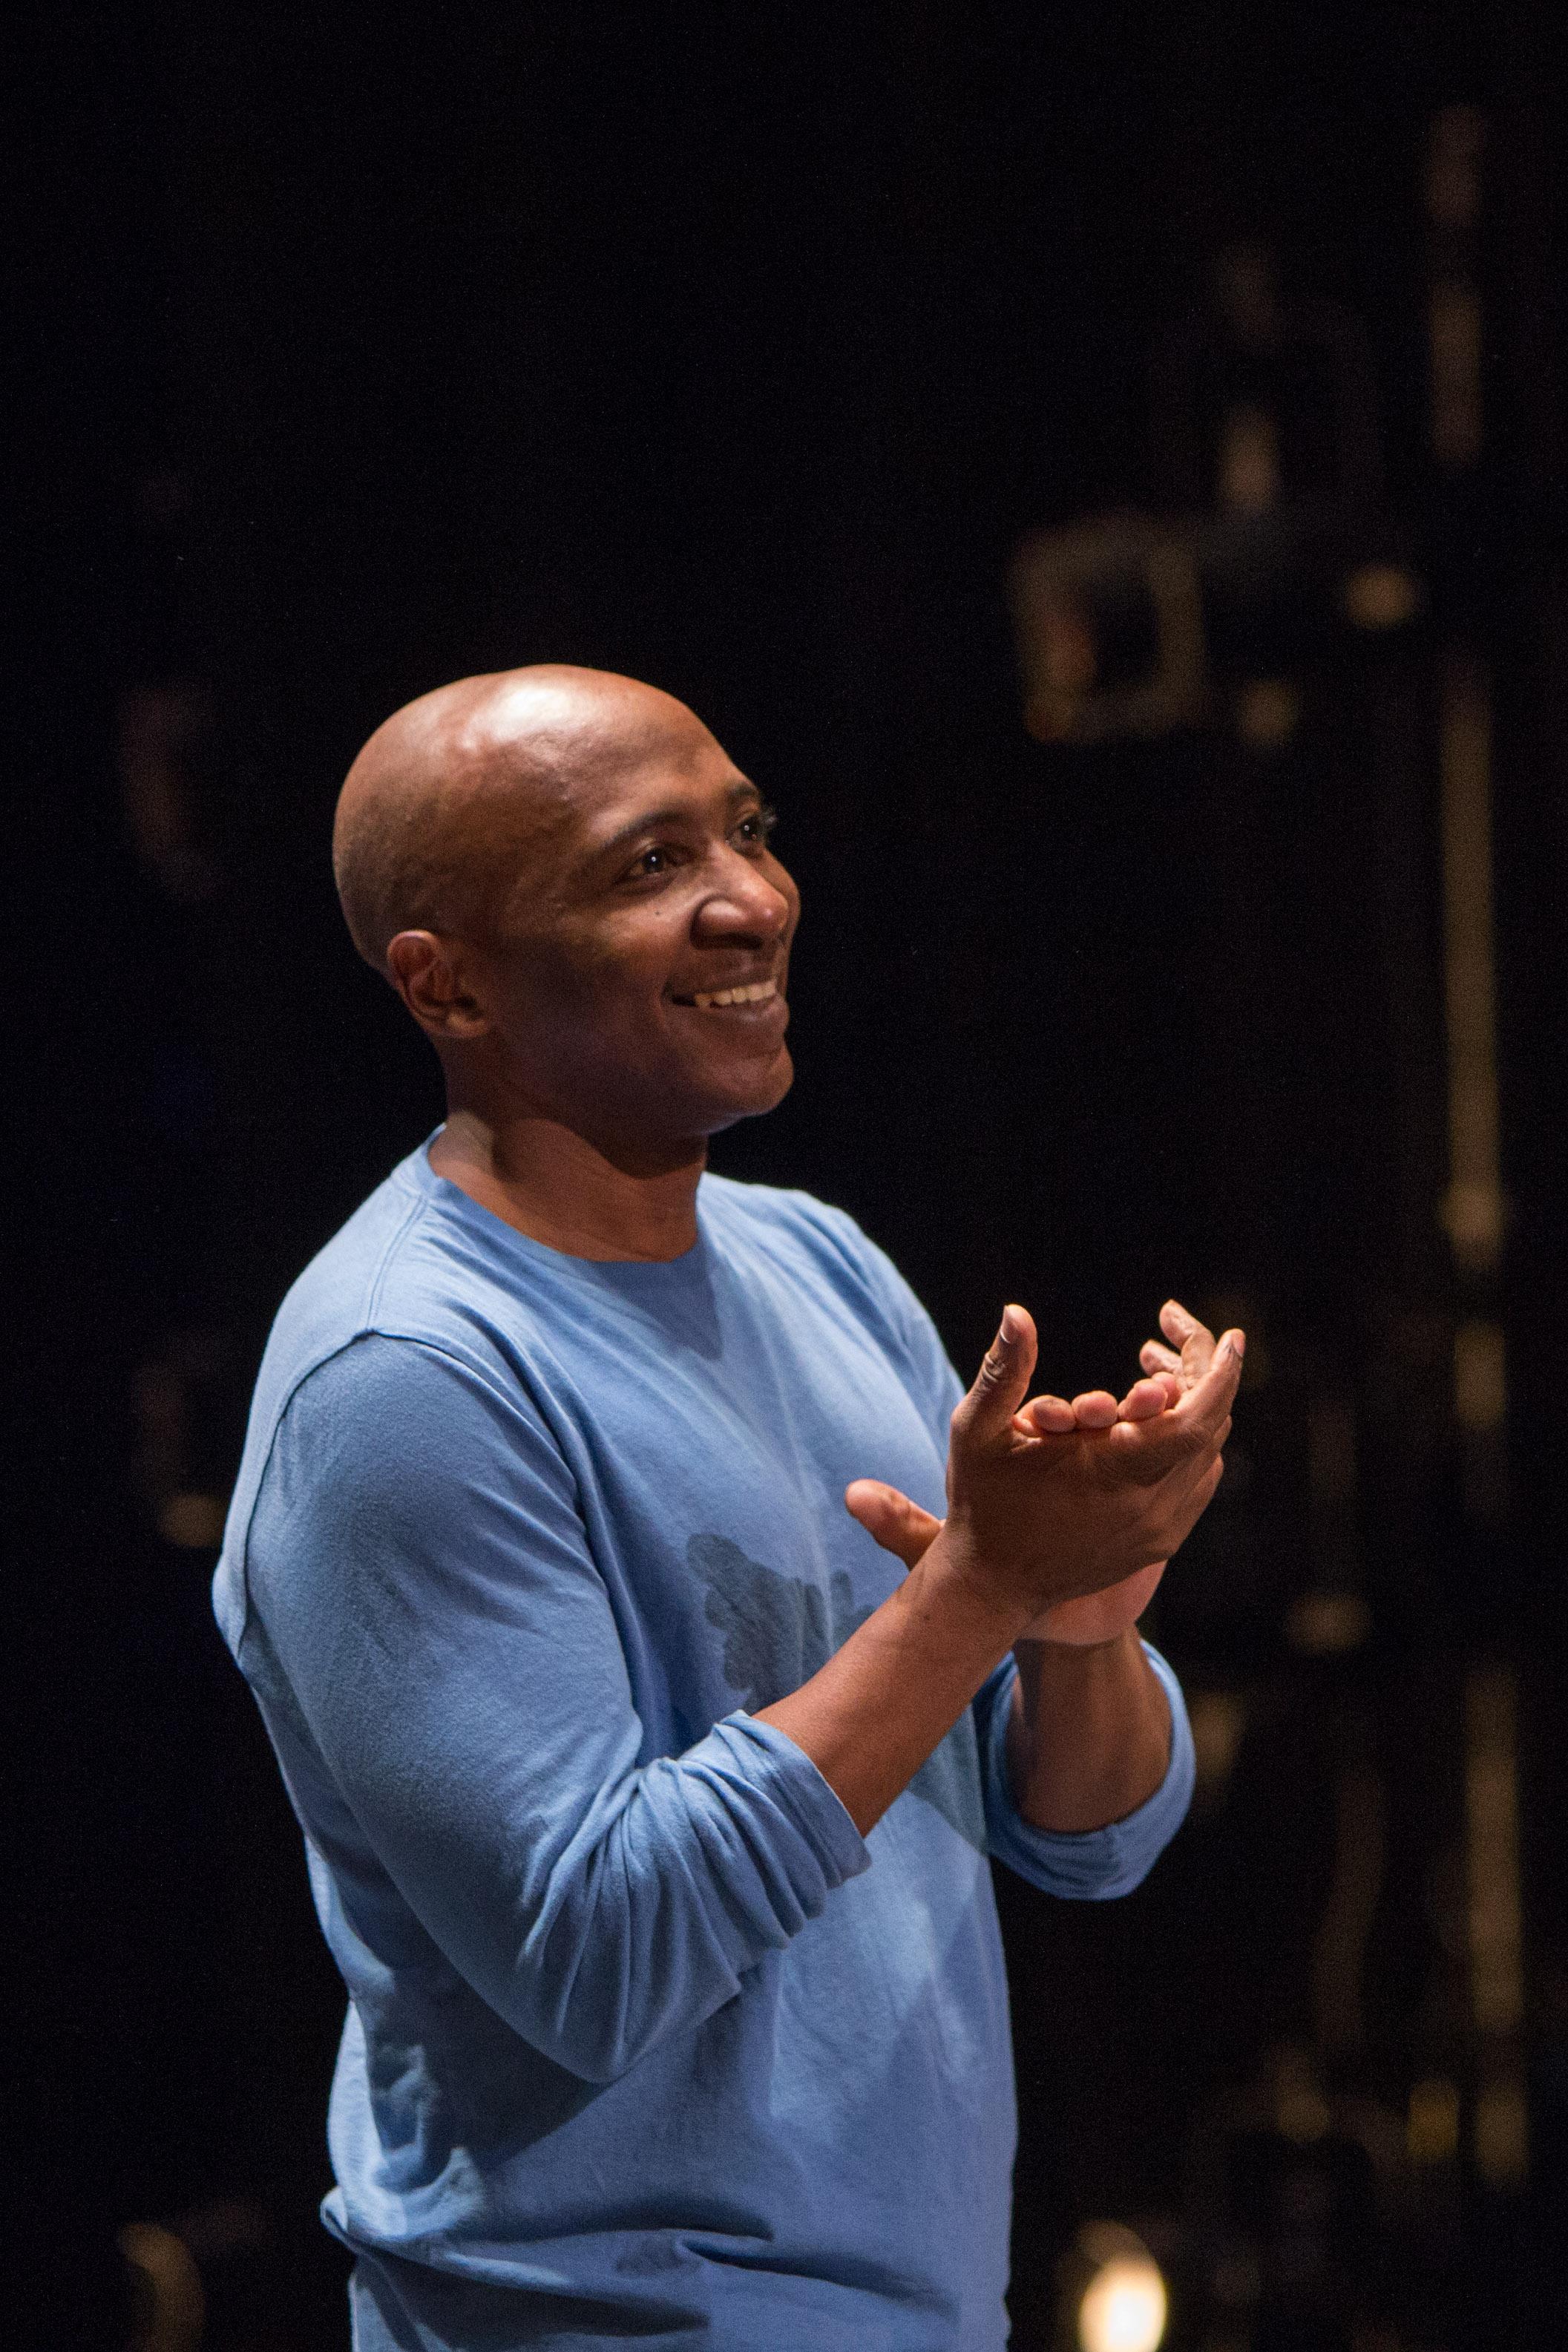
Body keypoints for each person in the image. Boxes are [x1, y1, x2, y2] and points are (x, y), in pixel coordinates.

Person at [213, 665, 1241, 2351]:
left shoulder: (817, 1261)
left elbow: (1088, 1835)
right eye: (647, 864)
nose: (753, 899)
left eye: (747, 831)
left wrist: (1080, 1616)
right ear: (446, 982)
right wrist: (978, 1591)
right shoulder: (404, 1377)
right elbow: (598, 1958)